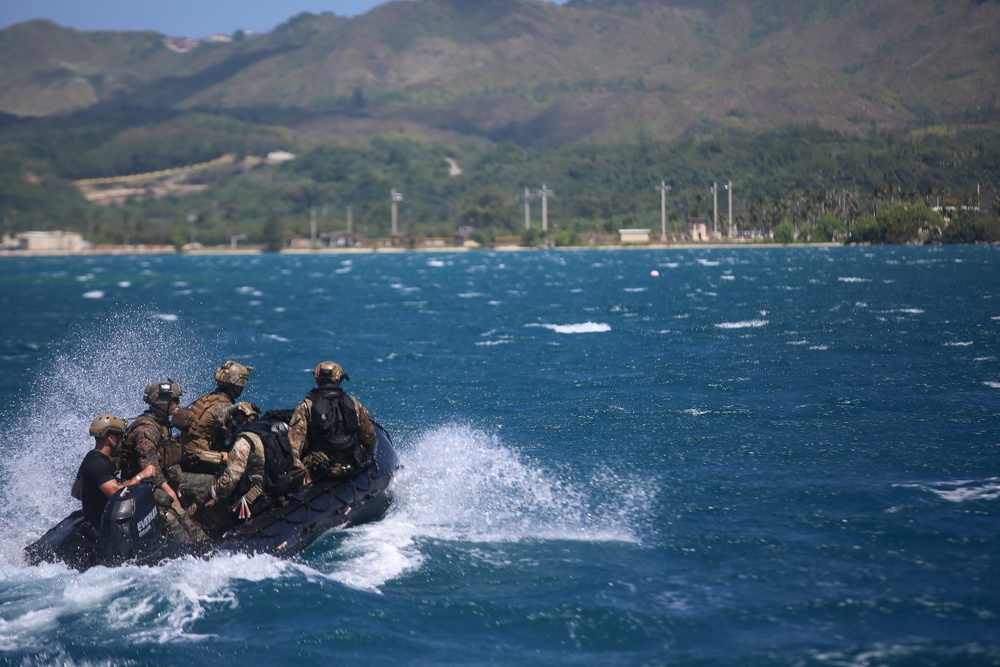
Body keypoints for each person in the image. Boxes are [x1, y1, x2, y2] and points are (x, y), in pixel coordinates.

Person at [120, 379, 207, 543]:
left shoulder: (162, 425)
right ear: (162, 402)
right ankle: (191, 543)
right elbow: (151, 470)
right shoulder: (148, 429)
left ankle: (207, 523)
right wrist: (171, 492)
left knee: (209, 483)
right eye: (175, 400)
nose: (179, 403)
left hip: (163, 479)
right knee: (171, 506)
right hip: (143, 487)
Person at [190, 401, 295, 535]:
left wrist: (211, 496)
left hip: (252, 499)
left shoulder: (244, 440)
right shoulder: (269, 432)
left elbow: (231, 478)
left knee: (201, 515)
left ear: (234, 421)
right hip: (274, 492)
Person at [288, 361, 377, 483]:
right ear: (339, 379)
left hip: (321, 470)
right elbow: (370, 438)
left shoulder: (306, 407)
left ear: (317, 379)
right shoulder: (354, 404)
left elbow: (293, 447)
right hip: (352, 465)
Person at [74, 413, 156, 530]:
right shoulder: (98, 463)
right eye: (121, 436)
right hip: (102, 529)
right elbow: (116, 493)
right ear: (111, 439)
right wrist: (141, 476)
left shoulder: (91, 457)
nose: (123, 440)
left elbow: (76, 493)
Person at [176, 360, 253, 474]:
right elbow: (236, 434)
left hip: (186, 453)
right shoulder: (222, 405)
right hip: (197, 461)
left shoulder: (208, 398)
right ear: (236, 383)